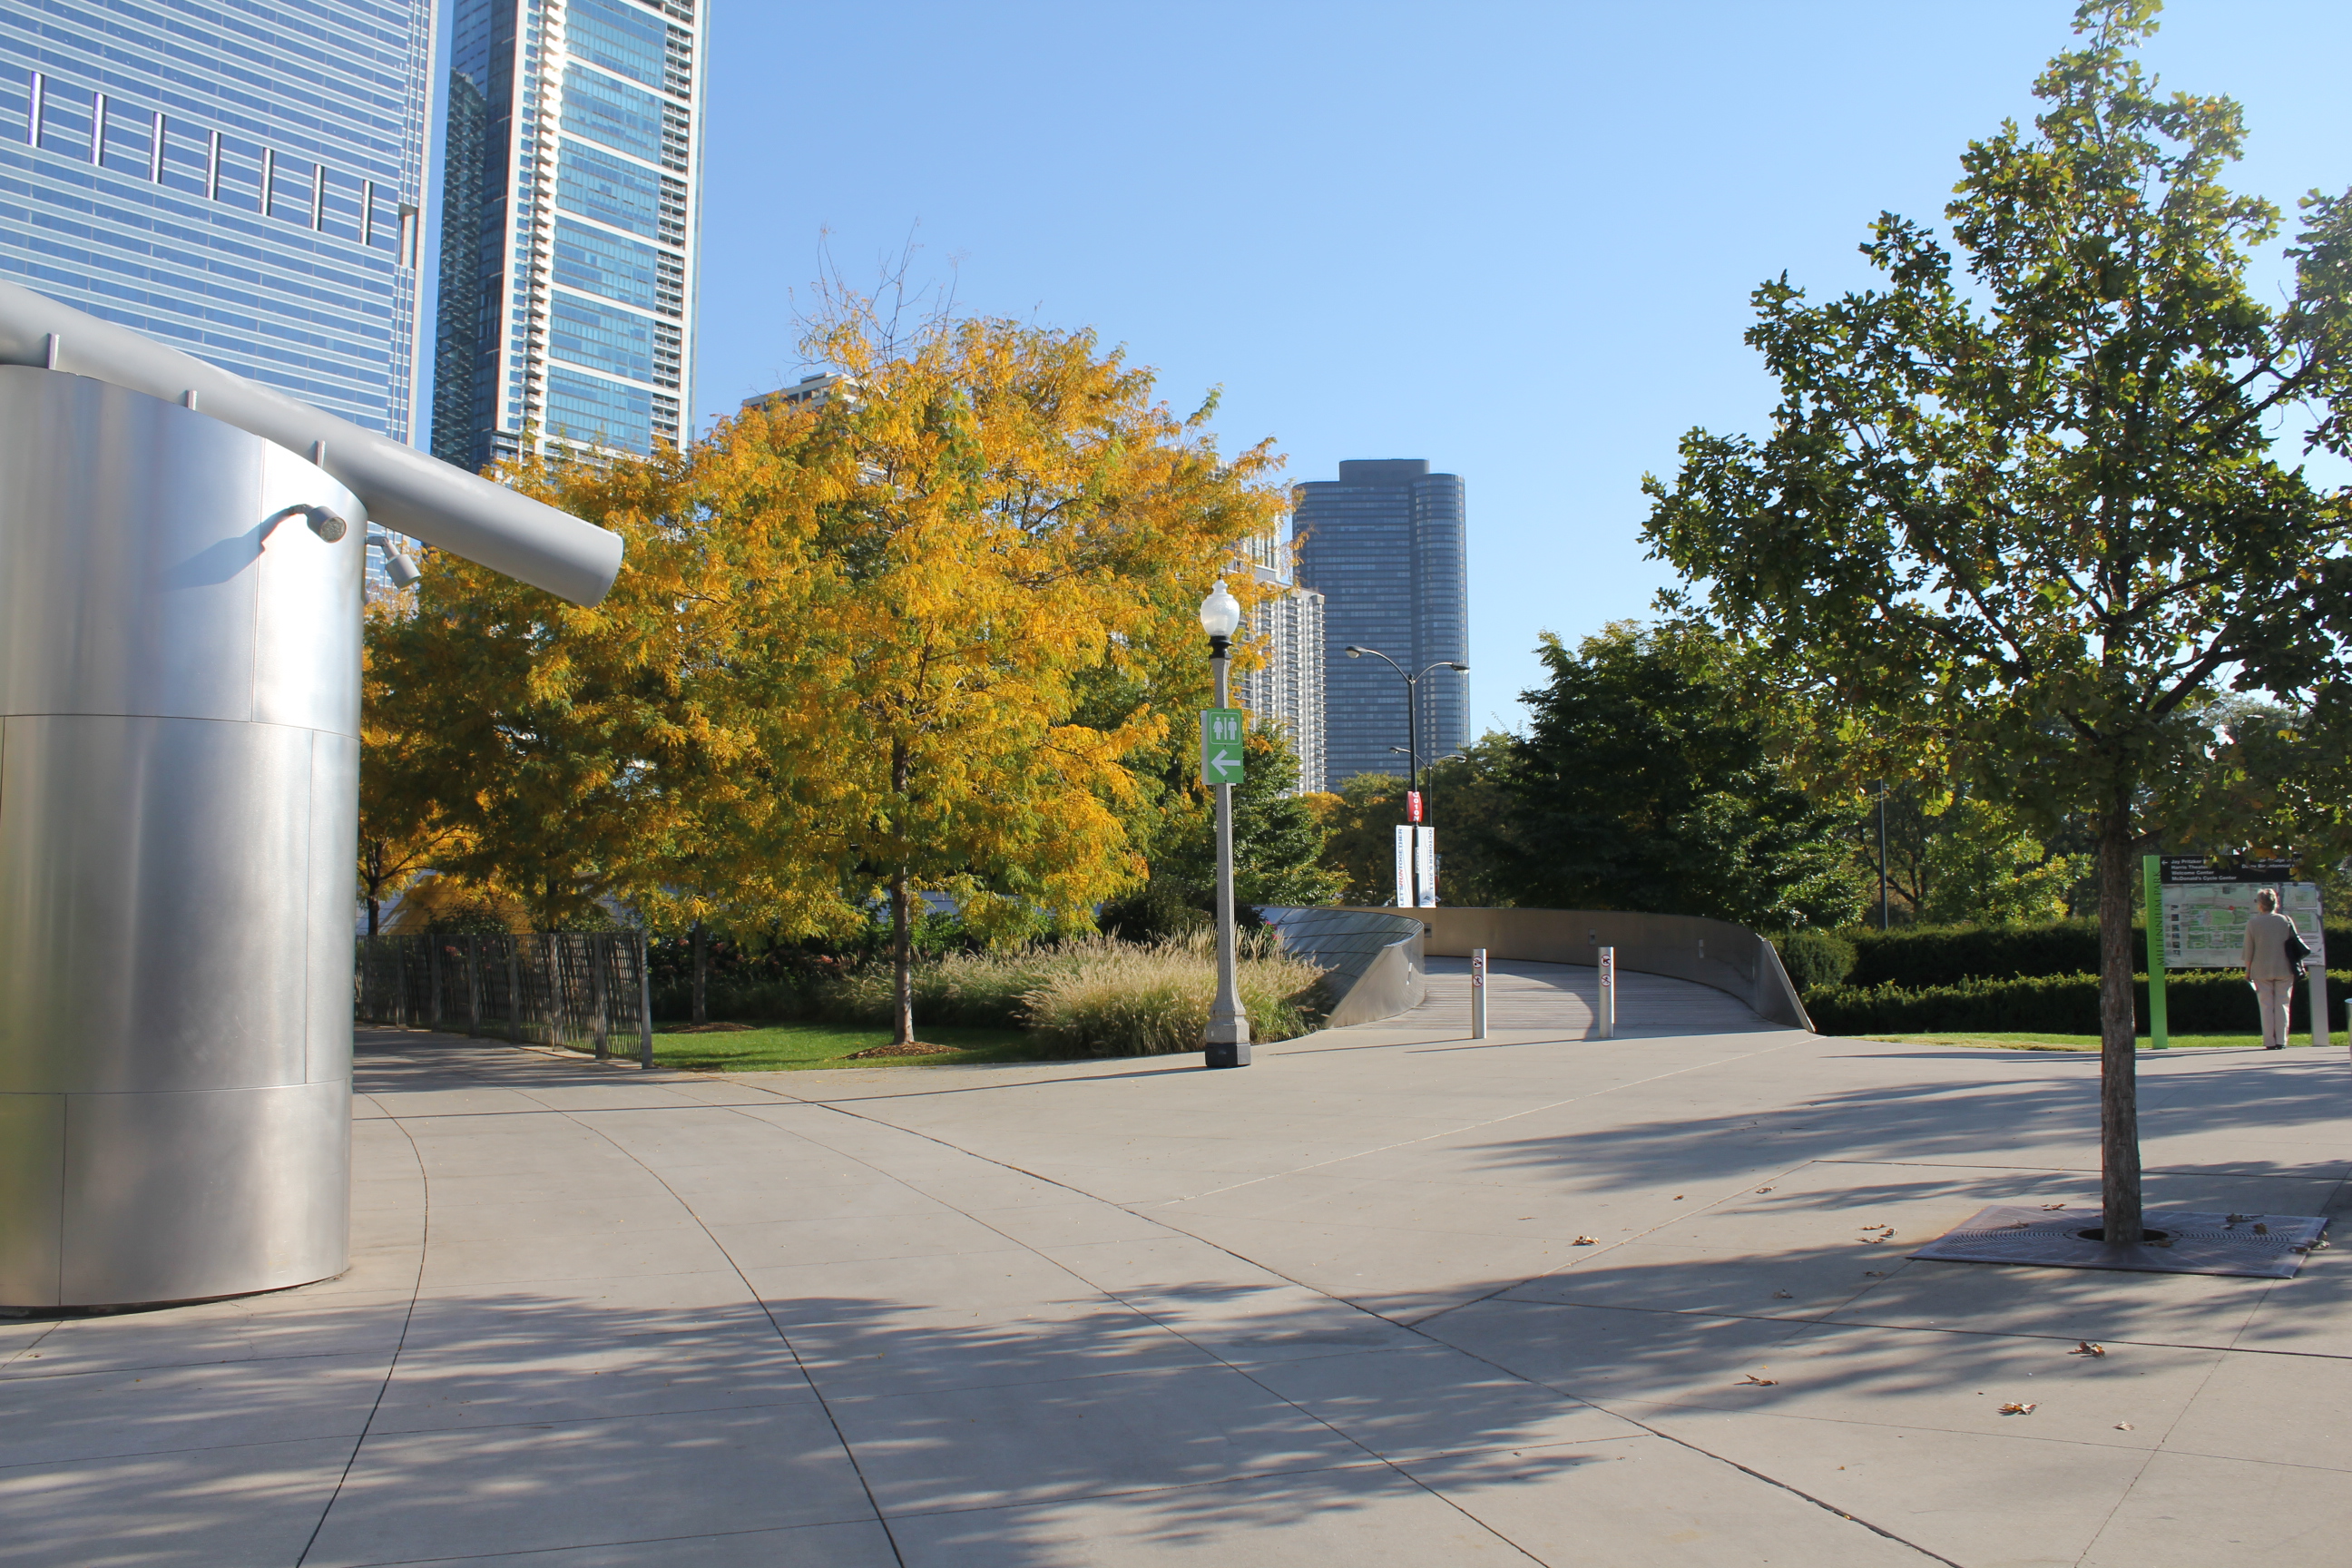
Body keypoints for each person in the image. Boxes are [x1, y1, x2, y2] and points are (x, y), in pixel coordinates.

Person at [2241, 887, 2303, 1050]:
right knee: (2283, 1004)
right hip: (2284, 967)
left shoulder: (2253, 923)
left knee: (2266, 1005)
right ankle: (2281, 1040)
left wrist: (2248, 971)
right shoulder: (2285, 920)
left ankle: (2269, 1041)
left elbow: (2249, 950)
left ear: (2260, 904)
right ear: (2276, 902)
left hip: (2261, 969)